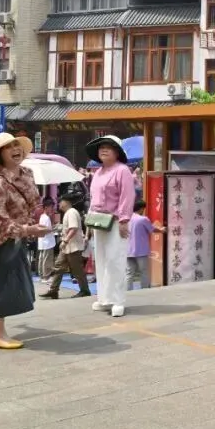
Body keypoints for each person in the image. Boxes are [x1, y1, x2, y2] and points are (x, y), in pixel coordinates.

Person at [0, 133, 49, 349]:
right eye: (8, 147)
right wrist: (28, 229)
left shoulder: (27, 174)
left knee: (12, 285)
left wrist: (33, 223)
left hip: (16, 239)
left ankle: (0, 332)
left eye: (16, 145)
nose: (15, 149)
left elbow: (32, 203)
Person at [86, 136, 136, 317]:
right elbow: (93, 199)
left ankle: (118, 300)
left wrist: (124, 220)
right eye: (101, 147)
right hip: (98, 221)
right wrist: (89, 222)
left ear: (117, 152)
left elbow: (127, 196)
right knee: (101, 260)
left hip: (115, 221)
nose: (104, 150)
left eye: (109, 147)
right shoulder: (98, 172)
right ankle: (104, 298)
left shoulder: (122, 170)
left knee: (116, 260)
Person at [40, 194, 90, 299]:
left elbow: (73, 228)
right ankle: (53, 290)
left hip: (73, 246)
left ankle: (85, 290)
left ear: (66, 202)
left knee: (77, 269)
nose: (59, 204)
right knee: (58, 267)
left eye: (60, 202)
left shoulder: (71, 212)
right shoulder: (69, 213)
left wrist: (65, 240)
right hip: (67, 246)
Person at [127, 199, 163, 290]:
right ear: (141, 209)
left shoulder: (127, 219)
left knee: (129, 273)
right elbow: (152, 229)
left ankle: (127, 291)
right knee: (143, 272)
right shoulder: (143, 219)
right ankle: (144, 290)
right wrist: (162, 230)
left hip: (128, 250)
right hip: (141, 250)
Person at [36, 197, 57, 284]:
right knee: (46, 259)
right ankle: (46, 276)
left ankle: (42, 276)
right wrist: (54, 228)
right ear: (46, 207)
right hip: (47, 242)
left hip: (43, 241)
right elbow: (46, 230)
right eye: (51, 207)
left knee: (42, 259)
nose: (52, 209)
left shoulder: (42, 217)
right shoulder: (45, 218)